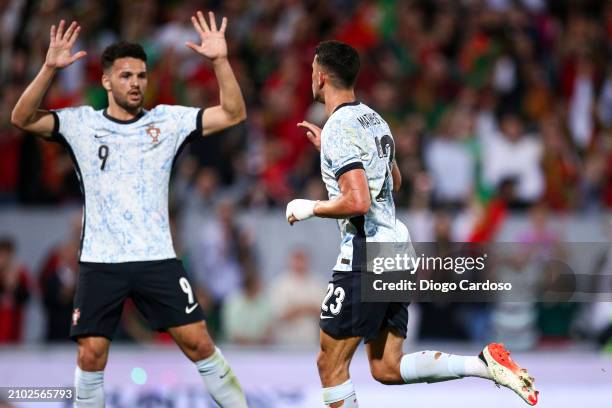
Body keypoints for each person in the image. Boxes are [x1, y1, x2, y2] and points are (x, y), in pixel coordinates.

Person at [11, 11, 247, 407]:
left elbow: (233, 113)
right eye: (126, 76)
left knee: (198, 342)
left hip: (156, 256)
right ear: (105, 81)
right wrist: (49, 68)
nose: (136, 83)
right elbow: (21, 118)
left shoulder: (167, 122)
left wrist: (220, 61)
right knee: (91, 354)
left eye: (141, 75)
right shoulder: (80, 125)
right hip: (101, 259)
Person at [286, 40, 538, 407]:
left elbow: (358, 200)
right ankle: (483, 364)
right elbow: (395, 181)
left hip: (366, 253)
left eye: (312, 69)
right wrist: (331, 151)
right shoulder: (373, 120)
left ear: (320, 76)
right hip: (397, 249)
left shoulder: (339, 128)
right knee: (386, 367)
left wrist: (310, 207)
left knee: (330, 363)